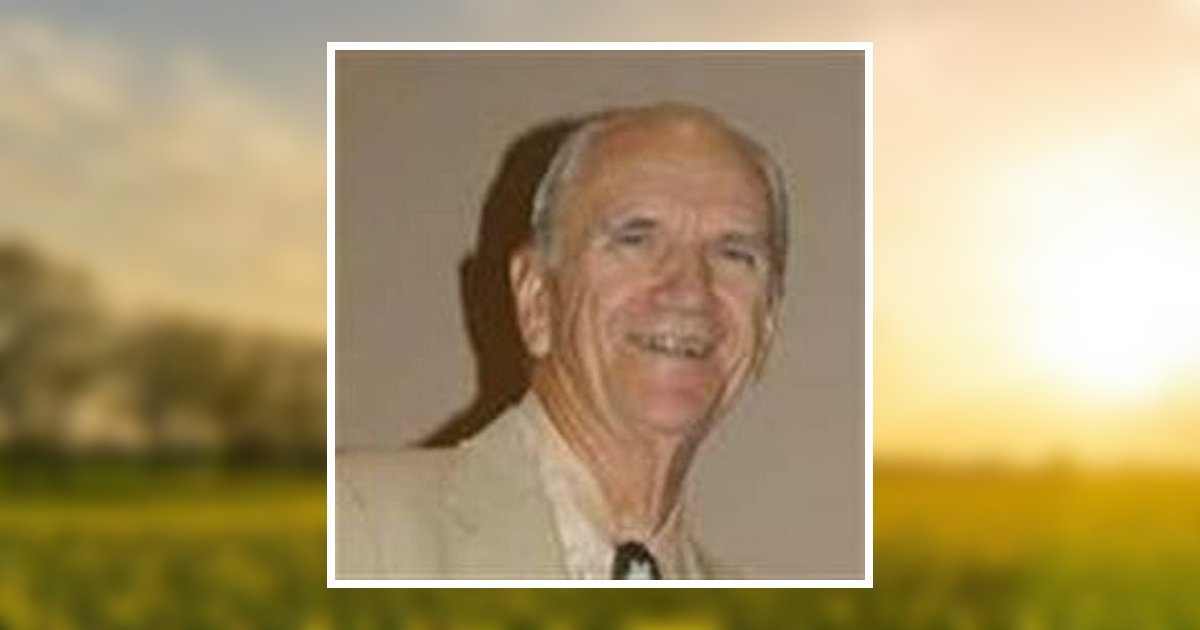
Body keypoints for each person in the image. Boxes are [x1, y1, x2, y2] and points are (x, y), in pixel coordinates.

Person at [335, 103, 790, 580]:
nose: (690, 291)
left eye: (735, 255)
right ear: (536, 298)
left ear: (766, 326)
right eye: (635, 239)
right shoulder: (351, 525)